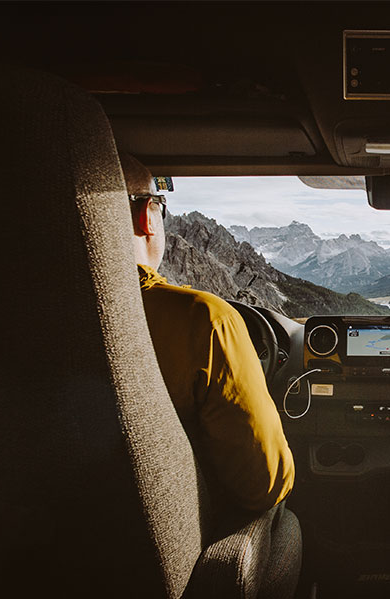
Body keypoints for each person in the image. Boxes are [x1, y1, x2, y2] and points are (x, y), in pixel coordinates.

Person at [122, 152, 295, 517]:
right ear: (146, 217)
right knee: (283, 517)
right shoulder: (205, 320)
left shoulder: (19, 317)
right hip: (183, 542)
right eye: (160, 206)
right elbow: (265, 485)